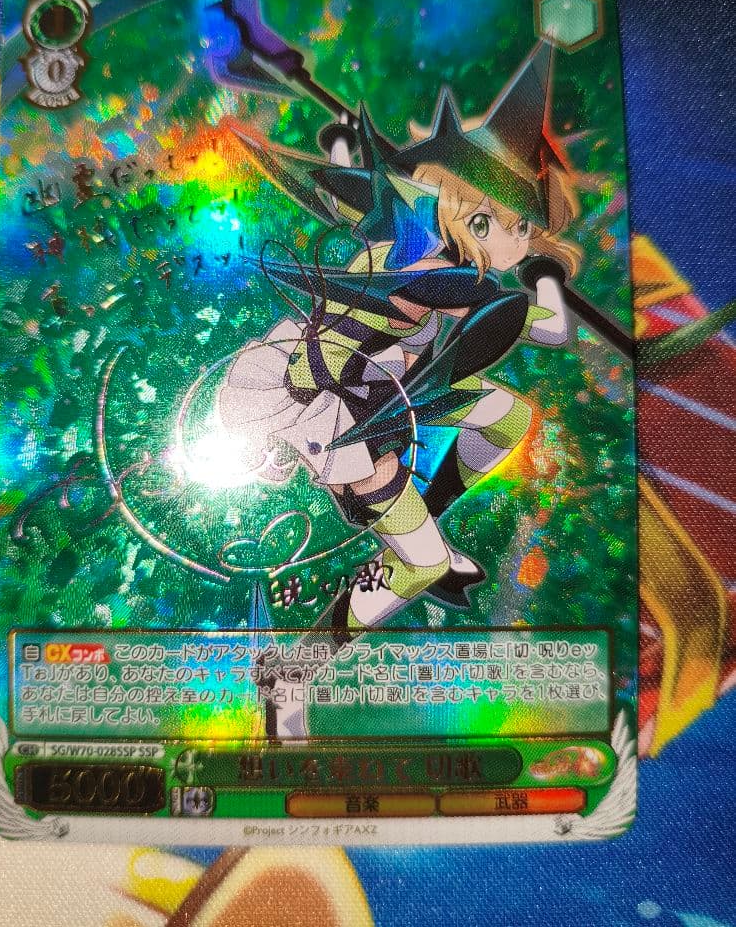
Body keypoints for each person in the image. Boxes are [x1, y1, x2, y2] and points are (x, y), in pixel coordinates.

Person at [218, 40, 582, 738]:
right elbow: (551, 327)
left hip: (380, 390)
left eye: (526, 227)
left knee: (507, 418)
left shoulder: (423, 247)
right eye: (515, 225)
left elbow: (357, 206)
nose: (523, 239)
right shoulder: (430, 275)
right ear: (472, 217)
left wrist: (343, 149)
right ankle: (291, 672)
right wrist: (546, 282)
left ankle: (421, 522)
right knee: (421, 566)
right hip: (324, 408)